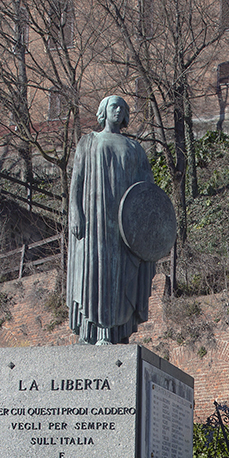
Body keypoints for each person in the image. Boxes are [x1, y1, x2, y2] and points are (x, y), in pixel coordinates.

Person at [67, 95, 156, 345]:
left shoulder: (134, 149)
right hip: (94, 218)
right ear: (103, 111)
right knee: (95, 272)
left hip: (124, 225)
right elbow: (78, 179)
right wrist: (75, 210)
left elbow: (147, 189)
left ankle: (116, 332)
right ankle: (93, 331)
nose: (118, 110)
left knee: (121, 275)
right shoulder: (88, 142)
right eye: (113, 106)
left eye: (122, 108)